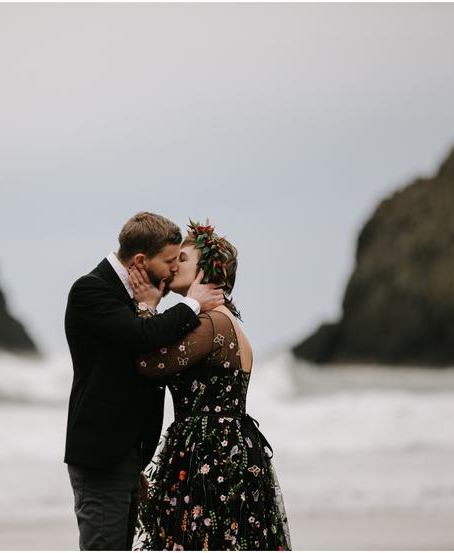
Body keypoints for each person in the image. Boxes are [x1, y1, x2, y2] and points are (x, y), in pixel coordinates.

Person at [64, 211, 226, 551]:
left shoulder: (137, 297)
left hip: (126, 454)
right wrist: (193, 304)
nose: (173, 269)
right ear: (141, 259)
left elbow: (147, 337)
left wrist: (150, 304)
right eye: (169, 260)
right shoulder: (91, 290)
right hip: (102, 453)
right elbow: (143, 337)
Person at [129, 220, 292, 551]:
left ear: (207, 270)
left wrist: (146, 307)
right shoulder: (227, 320)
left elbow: (149, 363)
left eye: (183, 259)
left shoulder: (211, 322)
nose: (173, 265)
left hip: (209, 455)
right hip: (230, 447)